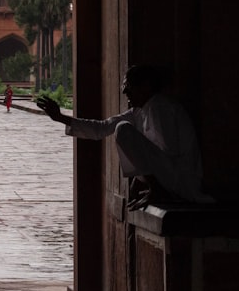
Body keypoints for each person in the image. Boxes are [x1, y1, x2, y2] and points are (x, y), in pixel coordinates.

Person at [36, 64, 213, 210]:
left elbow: (169, 152)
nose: (125, 92)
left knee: (123, 129)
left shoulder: (160, 108)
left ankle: (158, 190)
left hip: (182, 180)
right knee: (121, 128)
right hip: (171, 178)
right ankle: (157, 188)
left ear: (145, 87)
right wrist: (60, 118)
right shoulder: (140, 111)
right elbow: (101, 128)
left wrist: (146, 179)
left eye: (129, 87)